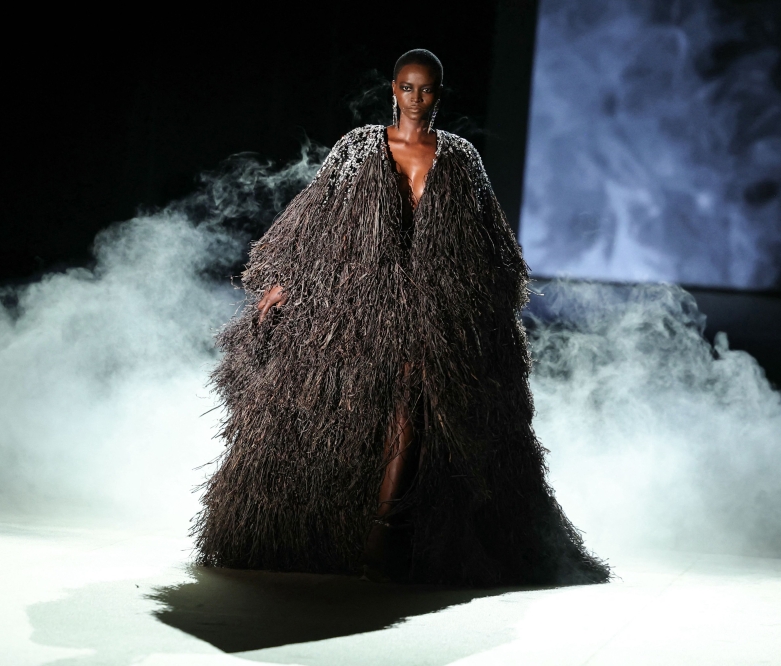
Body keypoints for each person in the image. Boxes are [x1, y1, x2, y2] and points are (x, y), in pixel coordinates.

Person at [194, 49, 610, 586]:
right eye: (408, 89)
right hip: (361, 296)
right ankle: (330, 528)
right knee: (343, 402)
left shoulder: (461, 157)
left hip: (434, 304)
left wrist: (486, 308)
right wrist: (286, 280)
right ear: (394, 89)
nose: (417, 100)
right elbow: (315, 217)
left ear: (440, 94)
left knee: (413, 390)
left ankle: (383, 531)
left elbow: (488, 239)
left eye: (428, 90)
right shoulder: (358, 147)